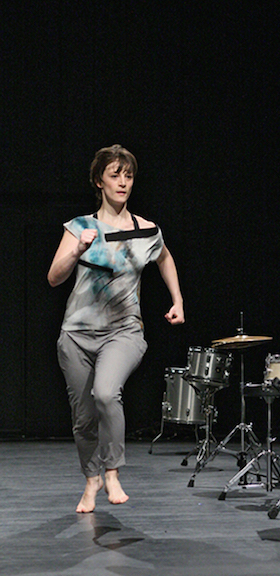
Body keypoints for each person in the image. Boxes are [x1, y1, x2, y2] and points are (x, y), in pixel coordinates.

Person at [48, 144, 185, 513]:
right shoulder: (80, 227)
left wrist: (178, 300)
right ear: (99, 181)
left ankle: (112, 471)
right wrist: (77, 250)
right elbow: (54, 277)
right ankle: (91, 480)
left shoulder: (146, 230)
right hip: (76, 335)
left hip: (123, 331)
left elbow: (165, 257)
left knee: (106, 394)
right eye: (115, 175)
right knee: (83, 417)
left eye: (128, 175)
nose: (123, 182)